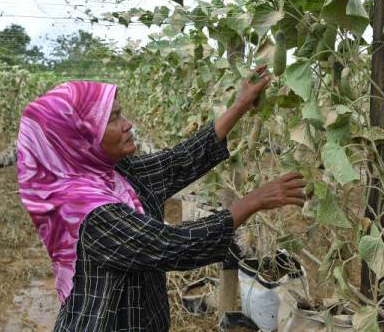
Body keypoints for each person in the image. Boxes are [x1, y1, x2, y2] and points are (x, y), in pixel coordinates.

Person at [16, 64, 308, 331]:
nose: (128, 124)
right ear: (79, 136)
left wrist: (240, 105)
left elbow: (176, 163)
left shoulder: (110, 174)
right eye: (114, 118)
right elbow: (173, 246)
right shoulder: (87, 210)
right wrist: (253, 200)